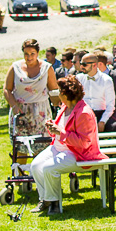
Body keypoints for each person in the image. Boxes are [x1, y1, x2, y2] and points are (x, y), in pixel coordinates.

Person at [29, 75, 106, 215]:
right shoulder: (64, 107)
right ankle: (45, 199)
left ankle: (54, 203)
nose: (57, 94)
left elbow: (83, 142)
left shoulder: (84, 113)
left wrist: (61, 132)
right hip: (58, 148)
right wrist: (52, 127)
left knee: (48, 168)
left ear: (65, 94)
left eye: (59, 91)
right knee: (35, 165)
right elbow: (59, 131)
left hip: (77, 153)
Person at [4, 39, 60, 138]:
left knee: (43, 144)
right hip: (20, 111)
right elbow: (7, 89)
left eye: (32, 53)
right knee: (21, 147)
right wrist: (14, 106)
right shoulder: (15, 67)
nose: (29, 57)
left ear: (38, 53)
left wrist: (60, 106)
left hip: (41, 111)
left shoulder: (47, 68)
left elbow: (53, 90)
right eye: (26, 54)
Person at [76, 52, 116, 132]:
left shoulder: (106, 80)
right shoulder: (79, 78)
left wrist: (102, 121)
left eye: (84, 64)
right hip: (84, 114)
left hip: (101, 113)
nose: (81, 66)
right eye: (81, 64)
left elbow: (110, 105)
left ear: (94, 65)